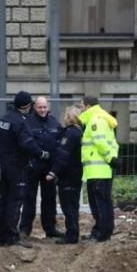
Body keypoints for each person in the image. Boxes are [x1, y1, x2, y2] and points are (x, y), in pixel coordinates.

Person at [0, 90, 48, 247]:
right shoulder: (20, 122)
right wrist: (42, 154)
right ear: (27, 106)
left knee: (4, 200)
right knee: (15, 201)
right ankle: (11, 237)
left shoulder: (2, 120)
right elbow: (27, 144)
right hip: (18, 166)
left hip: (4, 165)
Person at [19, 96, 63, 239]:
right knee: (29, 199)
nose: (42, 110)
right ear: (34, 107)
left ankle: (50, 229)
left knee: (49, 199)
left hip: (49, 167)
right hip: (32, 166)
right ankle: (25, 230)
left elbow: (60, 143)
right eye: (40, 107)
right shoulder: (28, 123)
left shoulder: (55, 123)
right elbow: (25, 144)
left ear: (48, 107)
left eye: (44, 107)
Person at [78, 94, 118, 242]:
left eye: (82, 106)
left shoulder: (95, 121)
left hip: (98, 171)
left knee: (99, 205)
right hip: (101, 170)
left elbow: (100, 142)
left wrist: (109, 158)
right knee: (104, 203)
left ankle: (101, 233)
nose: (81, 110)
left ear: (88, 106)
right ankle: (104, 232)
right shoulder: (101, 118)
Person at [45, 106, 84, 244]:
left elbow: (63, 155)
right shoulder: (79, 132)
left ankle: (71, 235)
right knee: (73, 205)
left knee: (68, 205)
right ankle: (73, 232)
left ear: (69, 118)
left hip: (68, 175)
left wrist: (53, 172)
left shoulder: (70, 134)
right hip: (76, 173)